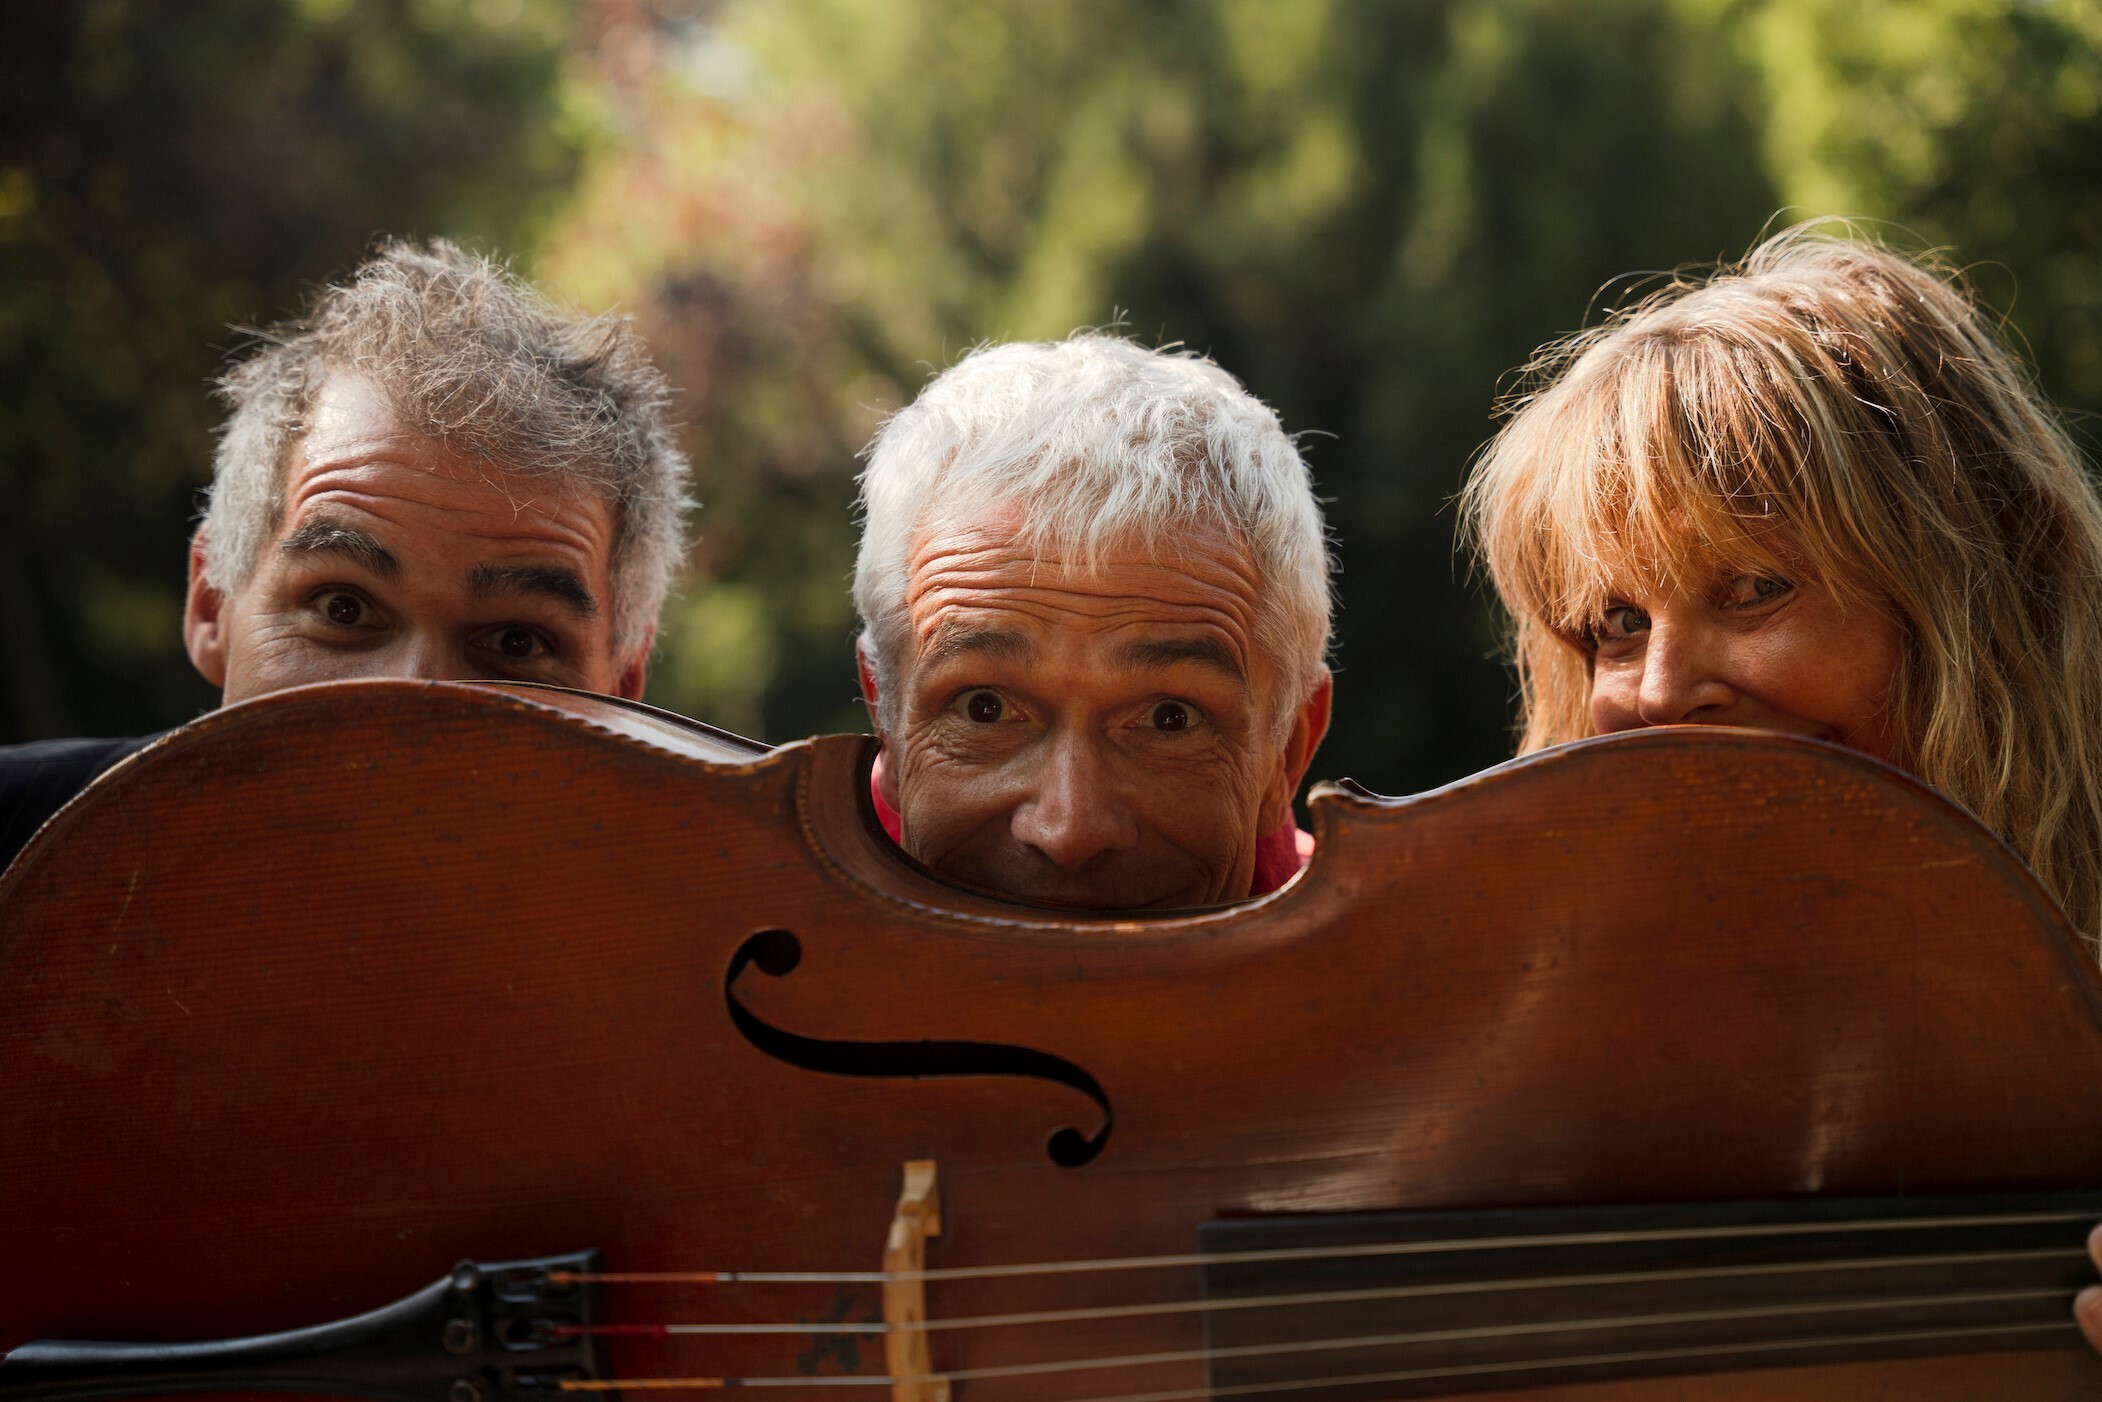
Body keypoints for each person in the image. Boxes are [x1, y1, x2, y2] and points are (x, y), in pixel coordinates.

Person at [1456, 225, 2102, 1357]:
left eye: (1754, 587)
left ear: (1994, 600)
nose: (1660, 693)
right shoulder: (1522, 1065)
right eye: (1617, 622)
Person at [0, 239, 691, 870]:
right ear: (211, 605)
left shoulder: (690, 943)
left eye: (516, 643)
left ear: (620, 693)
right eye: (342, 608)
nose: (414, 711)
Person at [850, 335, 1333, 909]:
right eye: (984, 708)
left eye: (1170, 719)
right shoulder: (765, 920)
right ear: (886, 722)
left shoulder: (1402, 961)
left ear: (1286, 755)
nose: (1068, 832)